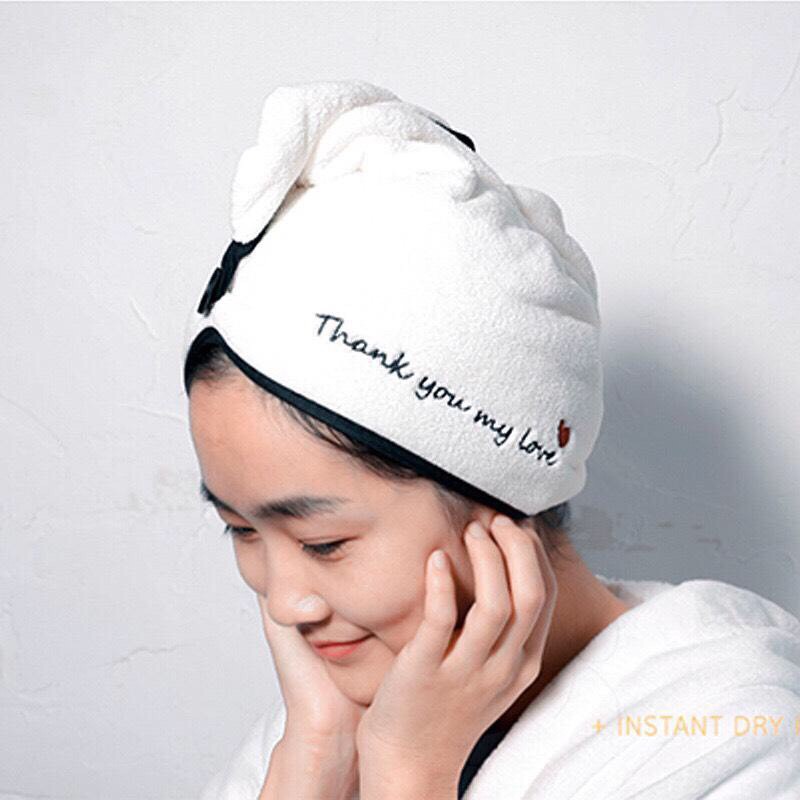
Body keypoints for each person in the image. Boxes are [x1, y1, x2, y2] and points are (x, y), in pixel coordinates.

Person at [185, 81, 800, 799]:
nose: (285, 602)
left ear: (501, 494)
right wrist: (314, 757)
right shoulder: (320, 719)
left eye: (323, 542)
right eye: (239, 529)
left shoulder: (737, 742)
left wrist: (409, 773)